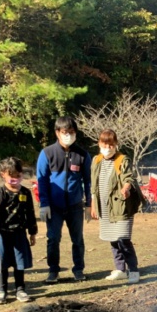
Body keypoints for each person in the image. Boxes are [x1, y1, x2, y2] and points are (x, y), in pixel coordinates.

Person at [36, 116, 91, 284]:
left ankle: (79, 269)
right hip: (54, 206)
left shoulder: (82, 154)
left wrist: (89, 204)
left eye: (72, 132)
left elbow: (88, 181)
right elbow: (42, 180)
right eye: (65, 132)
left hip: (75, 205)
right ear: (57, 133)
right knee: (53, 239)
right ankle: (53, 271)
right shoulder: (47, 153)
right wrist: (44, 204)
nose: (69, 135)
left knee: (78, 239)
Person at [90, 129, 142, 284]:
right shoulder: (96, 160)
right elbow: (93, 184)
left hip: (121, 206)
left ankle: (133, 270)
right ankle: (120, 269)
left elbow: (129, 177)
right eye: (105, 144)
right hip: (105, 207)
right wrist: (93, 205)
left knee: (123, 238)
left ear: (116, 144)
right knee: (112, 239)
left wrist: (126, 188)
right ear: (99, 143)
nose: (108, 147)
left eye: (111, 144)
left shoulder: (122, 159)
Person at [0, 158, 38, 304]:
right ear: (3, 174)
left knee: (19, 262)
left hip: (20, 233)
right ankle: (1, 290)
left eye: (18, 175)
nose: (15, 179)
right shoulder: (0, 193)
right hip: (2, 234)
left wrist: (32, 232)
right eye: (12, 175)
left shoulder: (25, 193)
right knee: (1, 262)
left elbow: (30, 212)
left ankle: (20, 289)